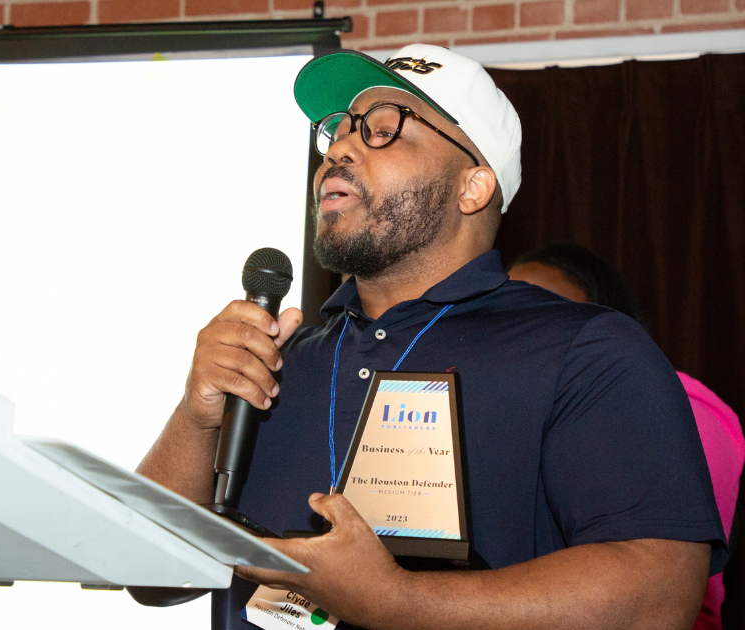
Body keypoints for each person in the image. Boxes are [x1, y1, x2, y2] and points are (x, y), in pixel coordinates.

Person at [128, 44, 727, 629]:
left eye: (382, 128)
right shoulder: (276, 365)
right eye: (338, 130)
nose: (339, 149)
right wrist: (197, 415)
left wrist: (394, 600)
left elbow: (658, 597)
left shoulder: (585, 351)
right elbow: (147, 576)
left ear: (474, 186)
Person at [508, 242, 745, 630]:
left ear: (608, 326)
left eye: (544, 315)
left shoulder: (686, 405)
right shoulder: (508, 410)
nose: (520, 334)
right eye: (503, 317)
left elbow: (661, 590)